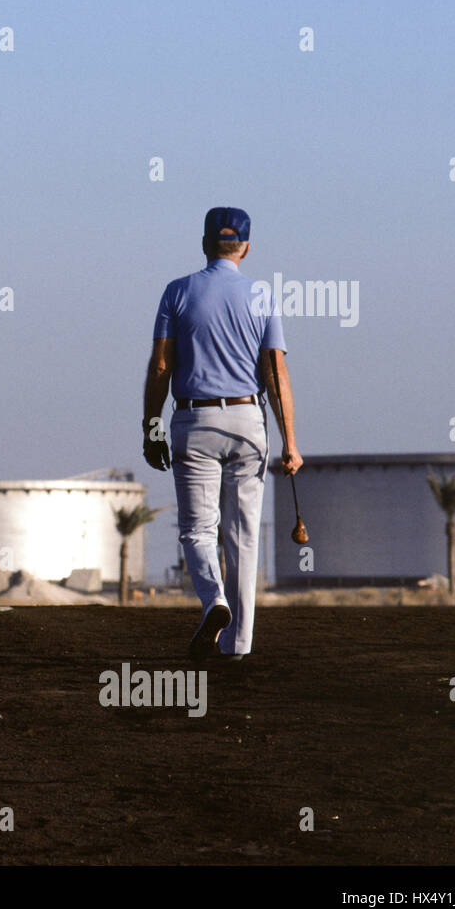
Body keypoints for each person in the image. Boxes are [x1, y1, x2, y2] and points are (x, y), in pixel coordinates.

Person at [140, 207, 302, 661]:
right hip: (249, 421)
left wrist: (151, 426)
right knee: (243, 536)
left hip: (195, 421)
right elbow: (276, 372)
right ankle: (239, 645)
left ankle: (214, 601)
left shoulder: (177, 292)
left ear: (206, 244)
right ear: (245, 248)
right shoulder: (262, 297)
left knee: (197, 530)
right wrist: (290, 442)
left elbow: (160, 366)